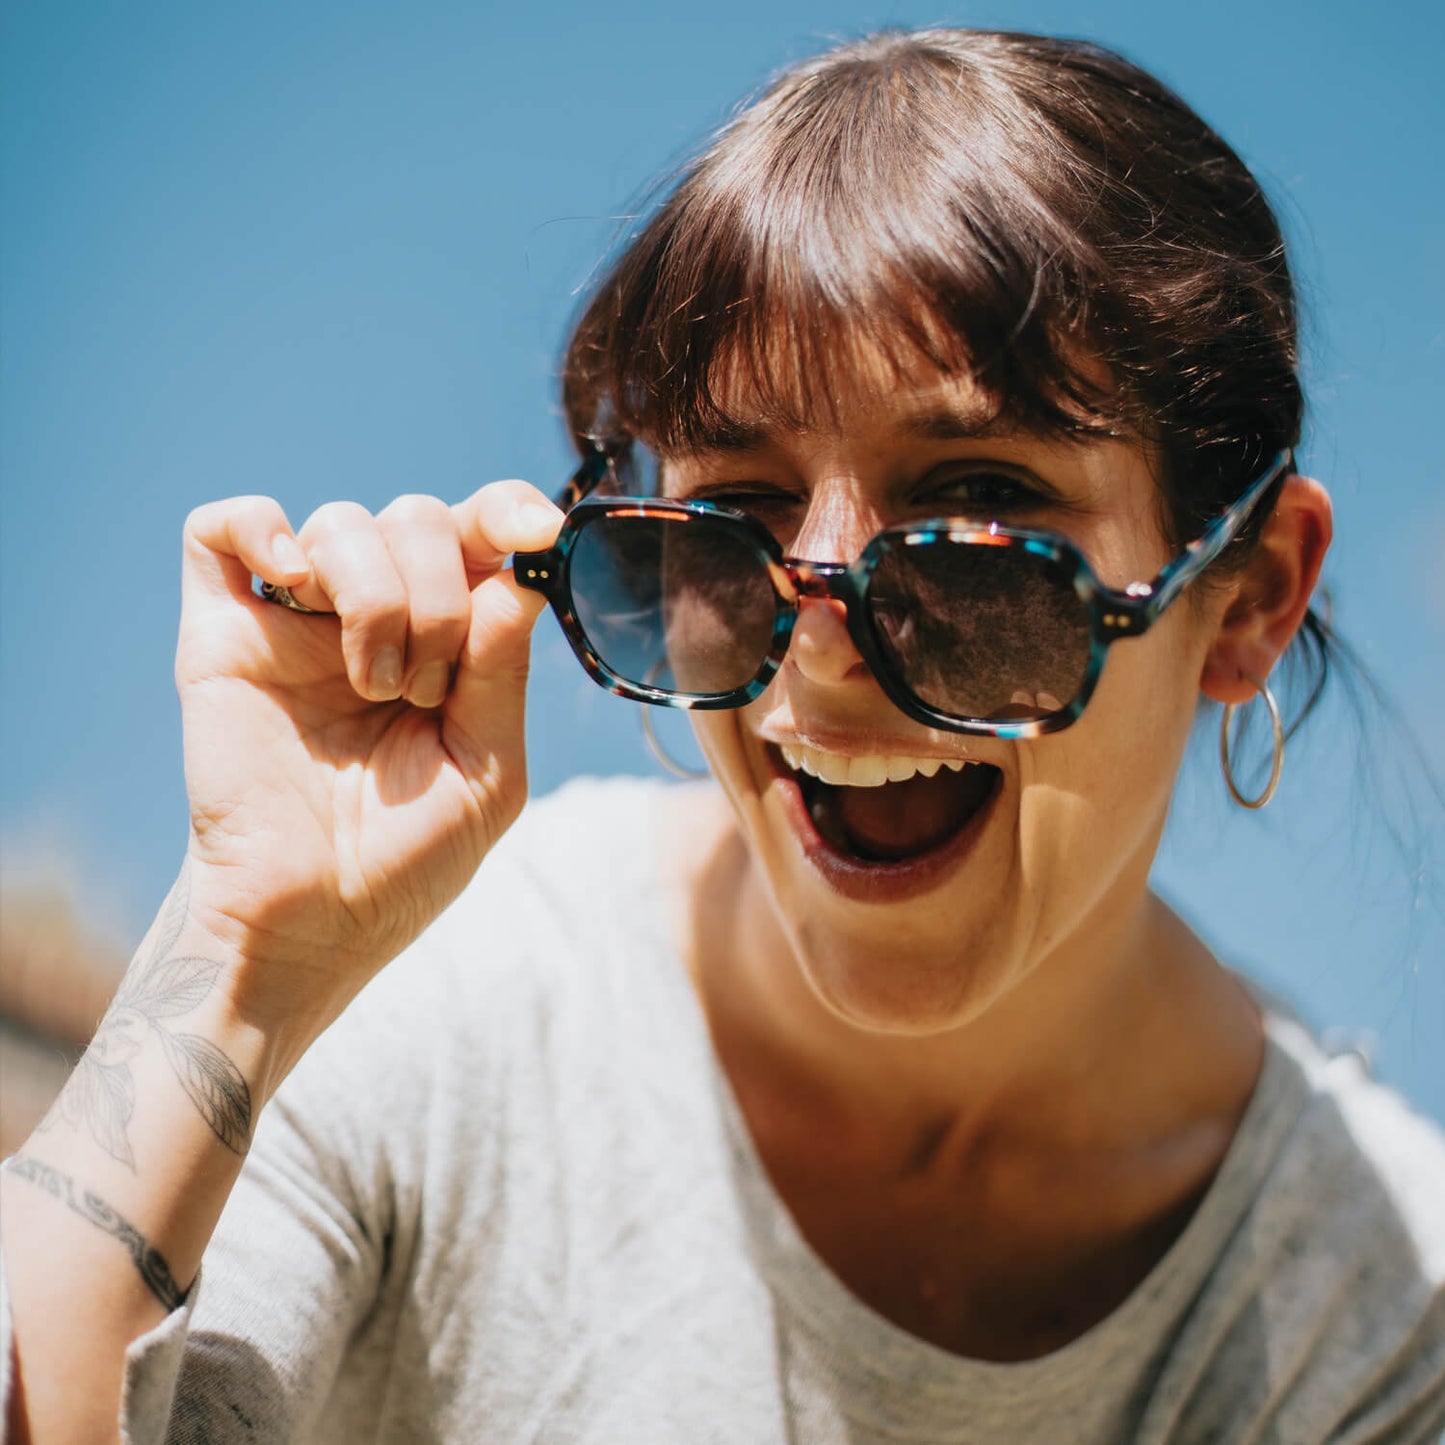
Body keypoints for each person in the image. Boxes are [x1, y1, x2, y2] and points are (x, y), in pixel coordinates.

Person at [2, 26, 1442, 1444]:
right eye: (732, 517)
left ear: (1247, 595)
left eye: (976, 513)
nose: (816, 643)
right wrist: (246, 950)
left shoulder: (1379, 1305)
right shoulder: (455, 979)